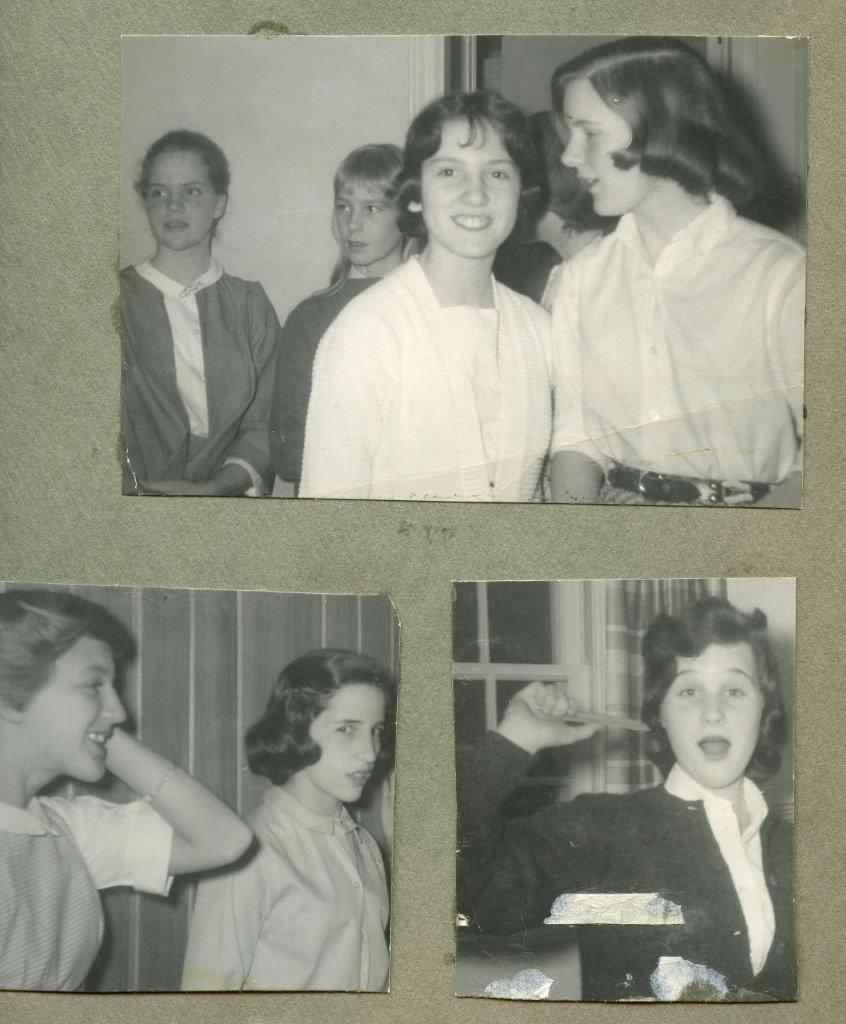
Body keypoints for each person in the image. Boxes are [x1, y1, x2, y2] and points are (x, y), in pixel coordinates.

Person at [457, 596, 794, 1001]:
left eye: (735, 691)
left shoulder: (798, 852)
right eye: (689, 690)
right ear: (659, 713)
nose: (712, 712)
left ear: (765, 709)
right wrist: (513, 742)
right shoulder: (597, 830)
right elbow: (464, 895)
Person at [546, 38, 805, 507]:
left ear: (660, 129)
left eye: (589, 133)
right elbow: (575, 437)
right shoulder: (580, 279)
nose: (569, 156)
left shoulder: (782, 277)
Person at [299, 91, 554, 501]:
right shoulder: (367, 333)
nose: (476, 194)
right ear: (415, 194)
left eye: (497, 174)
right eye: (449, 172)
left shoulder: (540, 332)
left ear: (521, 193)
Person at [0, 589, 253, 991]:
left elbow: (225, 840)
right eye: (93, 685)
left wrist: (100, 732)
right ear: (9, 695)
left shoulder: (63, 832)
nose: (120, 711)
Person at [181, 649, 395, 991]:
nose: (370, 752)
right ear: (298, 730)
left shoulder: (365, 846)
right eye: (346, 729)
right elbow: (204, 997)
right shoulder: (248, 854)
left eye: (376, 730)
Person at [120, 129, 280, 496]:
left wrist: (219, 487)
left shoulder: (250, 305)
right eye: (159, 192)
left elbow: (265, 424)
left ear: (219, 204)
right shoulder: (115, 302)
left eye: (191, 192)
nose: (173, 206)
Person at [269, 144, 406, 489]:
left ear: (407, 215)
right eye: (343, 207)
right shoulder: (310, 319)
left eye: (372, 208)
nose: (352, 224)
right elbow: (288, 456)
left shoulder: (428, 308)